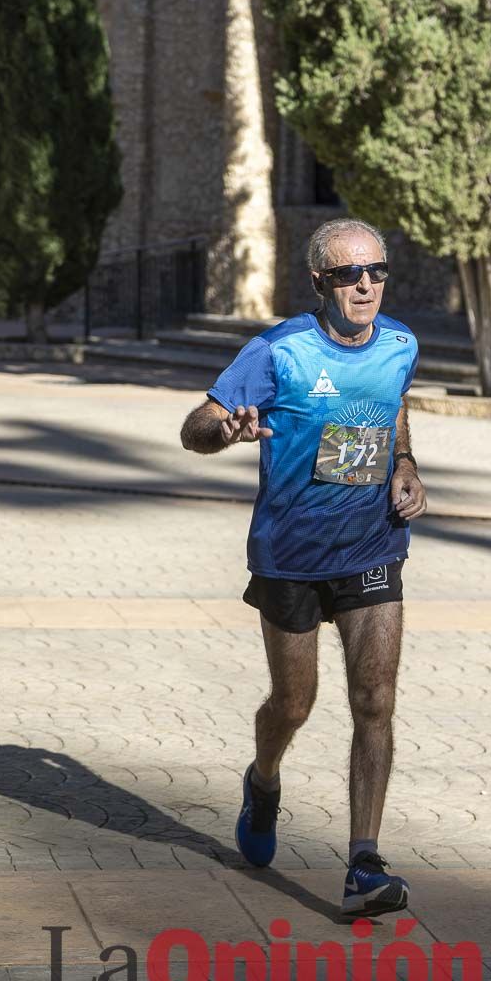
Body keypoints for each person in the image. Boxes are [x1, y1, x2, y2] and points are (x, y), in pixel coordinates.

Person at [180, 217, 426, 917]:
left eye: (377, 271)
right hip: (289, 556)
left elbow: (393, 405)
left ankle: (364, 863)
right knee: (294, 704)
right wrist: (225, 429)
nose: (366, 285)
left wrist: (404, 464)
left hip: (373, 547)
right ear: (319, 281)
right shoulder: (278, 351)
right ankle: (263, 779)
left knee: (374, 701)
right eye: (350, 274)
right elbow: (195, 423)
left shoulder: (401, 343)